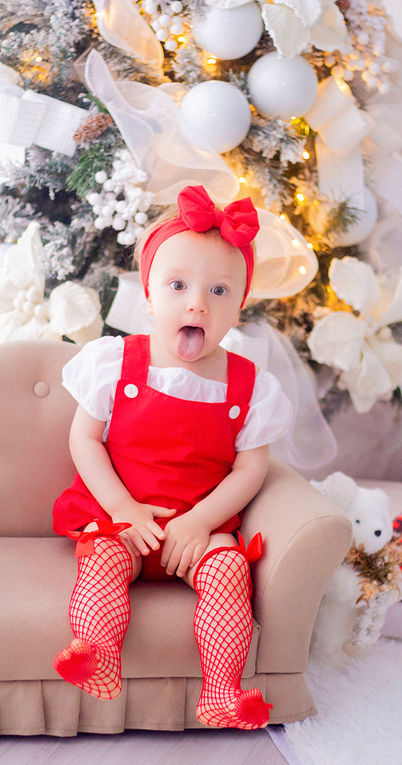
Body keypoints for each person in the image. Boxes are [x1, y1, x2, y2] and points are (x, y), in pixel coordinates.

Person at [50, 185, 293, 730]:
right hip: (125, 519)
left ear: (240, 306)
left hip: (199, 530)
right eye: (178, 285)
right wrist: (122, 508)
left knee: (230, 569)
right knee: (104, 559)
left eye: (219, 290)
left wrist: (202, 520)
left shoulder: (250, 386)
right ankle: (98, 654)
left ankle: (221, 692)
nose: (197, 303)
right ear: (149, 295)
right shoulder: (116, 363)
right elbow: (84, 439)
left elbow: (251, 469)